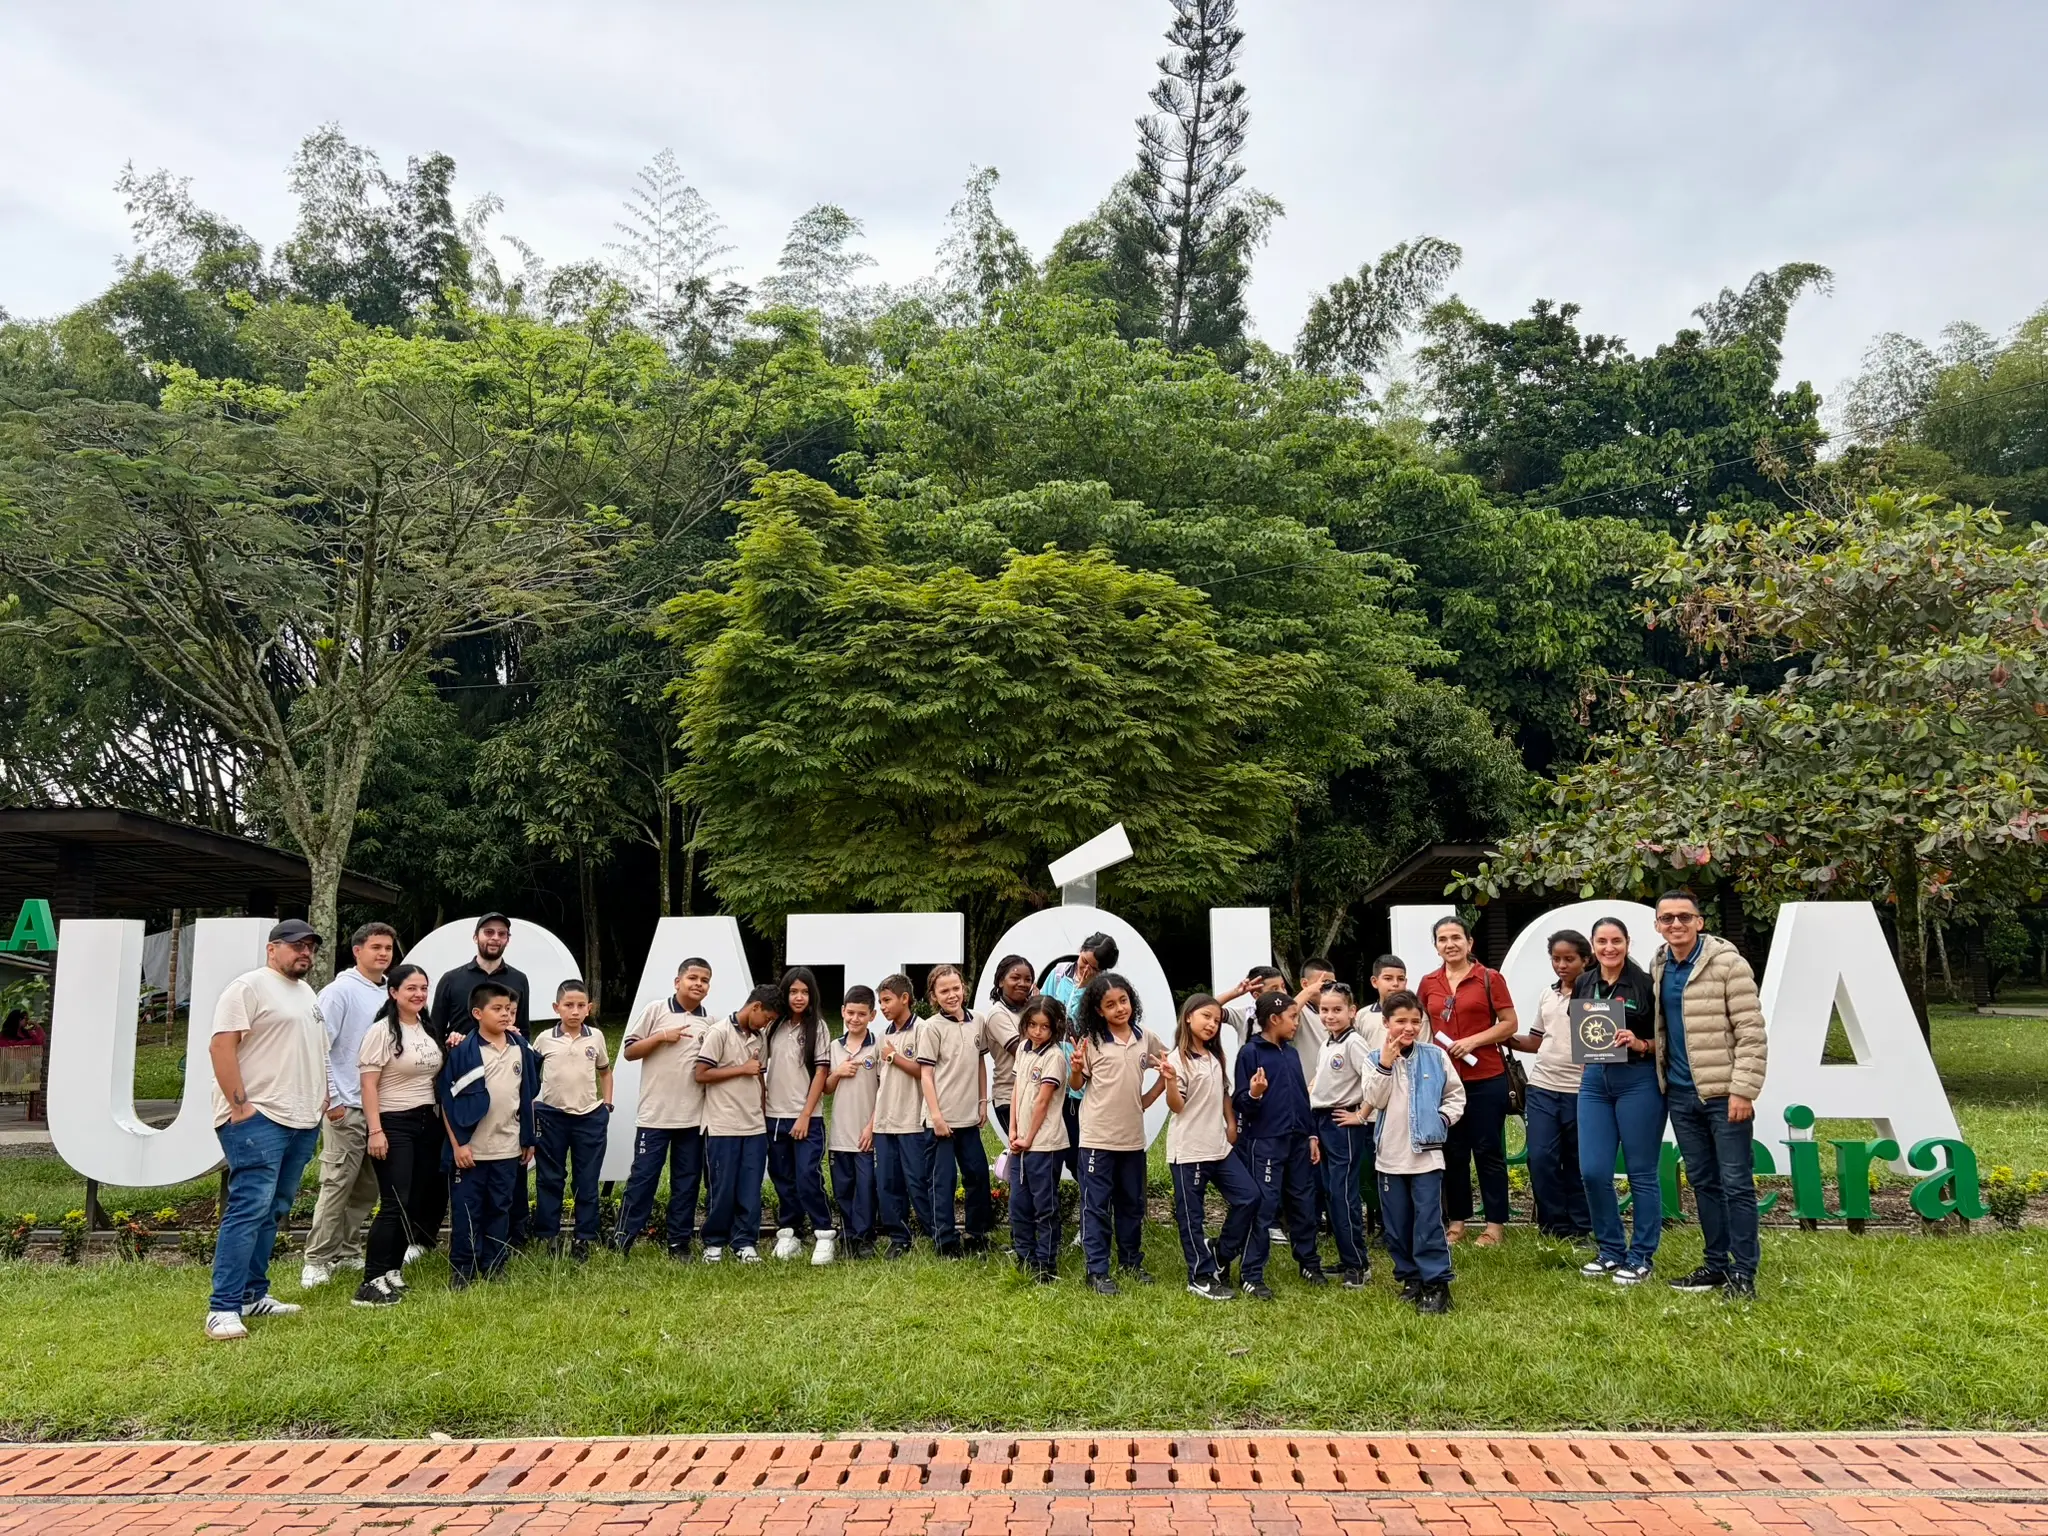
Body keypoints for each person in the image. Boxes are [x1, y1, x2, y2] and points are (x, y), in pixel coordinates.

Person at [203, 918, 330, 1341]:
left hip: (302, 1119)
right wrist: (240, 1106)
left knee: (274, 1209)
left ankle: (252, 1295)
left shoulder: (307, 993)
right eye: (296, 945)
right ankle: (222, 1308)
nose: (305, 952)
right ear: (272, 949)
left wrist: (323, 1096)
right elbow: (221, 1045)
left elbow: (317, 1051)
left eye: (310, 946)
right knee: (249, 1208)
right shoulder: (249, 987)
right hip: (260, 1119)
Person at [1651, 888, 1768, 1300]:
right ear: (1658, 925)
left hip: (1724, 1095)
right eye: (1667, 918)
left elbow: (1751, 1032)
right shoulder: (1660, 965)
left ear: (1699, 922)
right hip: (1681, 1095)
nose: (1676, 924)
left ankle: (1743, 1272)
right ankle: (1716, 1265)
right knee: (1703, 1182)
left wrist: (1743, 1090)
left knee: (1736, 1183)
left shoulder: (1728, 964)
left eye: (1685, 917)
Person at [424, 914, 532, 1251]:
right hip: (461, 1083)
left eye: (502, 933)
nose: (495, 938)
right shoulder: (452, 979)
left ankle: (507, 1244)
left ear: (507, 940)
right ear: (476, 937)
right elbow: (434, 1030)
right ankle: (433, 1240)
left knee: (504, 1183)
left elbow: (524, 1031)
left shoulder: (519, 979)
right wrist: (450, 1043)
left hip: (503, 1079)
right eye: (489, 932)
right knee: (456, 1165)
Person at [301, 921, 398, 1290]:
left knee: (367, 1187)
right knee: (337, 1183)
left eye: (388, 948)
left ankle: (345, 1249)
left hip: (380, 1108)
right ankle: (316, 1259)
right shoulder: (339, 992)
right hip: (347, 1105)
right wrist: (332, 1100)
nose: (383, 954)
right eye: (376, 947)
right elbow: (318, 1046)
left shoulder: (390, 991)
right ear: (357, 951)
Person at [1416, 915, 1517, 1247]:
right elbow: (1421, 1025)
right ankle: (1457, 1222)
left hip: (1486, 1076)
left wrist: (1474, 1041)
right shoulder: (1428, 983)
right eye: (1443, 939)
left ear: (1469, 942)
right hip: (1444, 1081)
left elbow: (1509, 1023)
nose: (1450, 944)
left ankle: (1494, 1225)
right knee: (1452, 1152)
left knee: (1488, 1150)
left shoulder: (1489, 978)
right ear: (1436, 946)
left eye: (1456, 937)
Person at [1362, 989, 1465, 1313]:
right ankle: (1411, 1278)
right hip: (1390, 1157)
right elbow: (1374, 1100)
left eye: (1415, 1021)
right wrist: (1385, 1064)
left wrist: (1442, 1119)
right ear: (1386, 1022)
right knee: (1397, 1225)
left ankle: (1436, 1284)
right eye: (1401, 1021)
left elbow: (1456, 1095)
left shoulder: (1436, 1056)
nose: (1409, 1027)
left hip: (1426, 1157)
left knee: (1428, 1222)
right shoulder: (1372, 1059)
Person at [1573, 916, 1663, 1283]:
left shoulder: (1646, 984)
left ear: (1627, 943)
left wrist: (1640, 1043)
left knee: (1641, 1173)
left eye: (1616, 941)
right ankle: (1610, 1250)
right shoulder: (1584, 981)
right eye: (1602, 941)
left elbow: (1668, 1040)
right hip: (1595, 1081)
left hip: (1637, 1079)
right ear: (1592, 945)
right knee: (1593, 1171)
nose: (1609, 948)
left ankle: (1640, 1255)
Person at [1070, 970, 1167, 1294]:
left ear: (1131, 1000)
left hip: (1132, 1140)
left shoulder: (1145, 1037)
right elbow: (1076, 1086)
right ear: (1098, 1011)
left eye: (1123, 1000)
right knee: (1096, 1206)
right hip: (1097, 1139)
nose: (1119, 1008)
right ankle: (1097, 1270)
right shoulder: (1092, 1042)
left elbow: (1170, 1065)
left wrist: (1148, 1098)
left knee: (1131, 1204)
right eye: (1110, 1004)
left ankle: (1130, 1262)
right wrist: (1075, 1069)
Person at [353, 963, 444, 1307]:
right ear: (393, 992)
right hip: (393, 1123)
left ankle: (392, 1269)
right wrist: (375, 1131)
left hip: (426, 1121)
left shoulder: (426, 1027)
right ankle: (370, 1281)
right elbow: (368, 1086)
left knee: (415, 1202)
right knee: (394, 1202)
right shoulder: (381, 1032)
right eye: (411, 988)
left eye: (423, 988)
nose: (419, 994)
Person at [438, 979, 538, 1288]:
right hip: (472, 1150)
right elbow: (448, 1102)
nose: (505, 1014)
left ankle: (494, 1265)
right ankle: (463, 1269)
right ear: (478, 1013)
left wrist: (528, 1138)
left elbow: (527, 1096)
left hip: (507, 1147)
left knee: (500, 1208)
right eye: (497, 1009)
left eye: (509, 1009)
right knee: (467, 1211)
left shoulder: (520, 1048)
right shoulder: (462, 1051)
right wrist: (459, 1145)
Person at [1232, 990, 1327, 1298]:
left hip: (1298, 1140)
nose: (1297, 1023)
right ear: (1274, 1019)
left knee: (1304, 1202)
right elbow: (1241, 1102)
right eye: (1292, 1017)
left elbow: (1301, 1097)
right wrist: (1255, 1093)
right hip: (1265, 1143)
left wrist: (1311, 1134)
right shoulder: (1250, 1053)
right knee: (1264, 1206)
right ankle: (1251, 1272)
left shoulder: (1292, 1053)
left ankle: (1309, 1262)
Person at [617, 958, 713, 1259]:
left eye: (705, 980)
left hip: (692, 1118)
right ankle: (623, 1238)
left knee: (686, 1183)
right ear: (677, 981)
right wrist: (661, 1037)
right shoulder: (656, 1010)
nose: (698, 984)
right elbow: (630, 1051)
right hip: (655, 1116)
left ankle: (678, 1242)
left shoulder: (710, 1023)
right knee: (643, 1180)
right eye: (692, 978)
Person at [1163, 993, 1256, 1302]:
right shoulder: (1177, 1060)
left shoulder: (1215, 1057)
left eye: (1217, 1020)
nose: (1212, 1024)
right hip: (1189, 1150)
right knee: (1192, 1216)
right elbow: (1177, 1106)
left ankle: (1220, 1252)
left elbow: (1224, 1093)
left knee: (1249, 1197)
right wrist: (1170, 1081)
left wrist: (1230, 1123)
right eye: (1206, 1017)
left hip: (1219, 1147)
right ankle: (1200, 1276)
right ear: (1188, 1016)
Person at [1508, 931, 1594, 1243]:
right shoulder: (1548, 993)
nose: (1561, 965)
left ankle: (1581, 1228)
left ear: (1586, 959)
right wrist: (1502, 1036)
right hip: (1542, 1087)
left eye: (1569, 959)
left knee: (1577, 1161)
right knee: (1541, 1158)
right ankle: (1553, 1226)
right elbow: (1535, 1040)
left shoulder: (1597, 995)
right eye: (1556, 959)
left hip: (1582, 1090)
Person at [695, 983, 781, 1263]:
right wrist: (741, 1069)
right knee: (722, 1187)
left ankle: (745, 1242)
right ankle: (714, 1242)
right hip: (722, 1124)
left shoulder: (760, 1037)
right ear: (756, 1007)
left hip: (754, 1125)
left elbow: (759, 1078)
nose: (767, 1024)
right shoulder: (719, 1032)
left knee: (750, 1188)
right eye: (767, 1017)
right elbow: (701, 1074)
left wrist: (763, 1112)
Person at [917, 964, 997, 1256]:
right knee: (943, 1181)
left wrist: (982, 1101)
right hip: (941, 1121)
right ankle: (945, 1241)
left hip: (968, 1117)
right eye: (944, 991)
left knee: (977, 1175)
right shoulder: (931, 1027)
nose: (951, 995)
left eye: (955, 988)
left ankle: (977, 1235)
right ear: (934, 996)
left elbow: (980, 1062)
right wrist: (936, 1117)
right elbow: (926, 1075)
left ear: (964, 988)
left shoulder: (978, 1021)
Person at [530, 979, 612, 1259]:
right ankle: (548, 1236)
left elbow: (605, 1072)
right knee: (550, 1178)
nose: (575, 1011)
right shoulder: (544, 1039)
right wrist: (532, 1105)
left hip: (589, 1117)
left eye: (580, 1005)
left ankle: (584, 1238)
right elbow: (530, 1076)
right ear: (557, 1008)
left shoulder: (596, 1037)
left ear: (589, 1008)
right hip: (551, 1117)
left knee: (586, 1180)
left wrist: (607, 1104)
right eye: (568, 1005)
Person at [764, 967, 835, 1263]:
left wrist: (805, 1115)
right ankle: (789, 1232)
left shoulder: (818, 1027)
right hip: (773, 1115)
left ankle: (824, 1233)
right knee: (782, 1177)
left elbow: (821, 1073)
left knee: (807, 1175)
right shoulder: (772, 1026)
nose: (798, 997)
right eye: (793, 991)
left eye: (804, 992)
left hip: (807, 1117)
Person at [1308, 981, 1374, 1288]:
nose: (1330, 1015)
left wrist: (1360, 1115)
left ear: (1352, 1011)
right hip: (1321, 1120)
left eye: (1337, 1010)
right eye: (1324, 1009)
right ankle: (1348, 1258)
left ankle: (1358, 1265)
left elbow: (1375, 1080)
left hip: (1342, 1123)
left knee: (1343, 1194)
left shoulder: (1354, 1043)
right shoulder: (1327, 1043)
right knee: (1330, 1193)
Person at [1004, 995, 1071, 1283]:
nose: (1037, 1031)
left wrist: (1028, 1138)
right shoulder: (1023, 1048)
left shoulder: (1054, 1057)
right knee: (1018, 1204)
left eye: (1044, 1027)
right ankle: (1025, 1256)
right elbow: (1017, 1089)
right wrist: (1013, 1130)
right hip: (1020, 1143)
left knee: (1045, 1207)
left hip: (1045, 1144)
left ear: (1055, 1027)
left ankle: (1046, 1263)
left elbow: (1043, 1102)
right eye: (1032, 1025)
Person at [872, 973, 935, 1257]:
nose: (883, 1007)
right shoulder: (884, 1036)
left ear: (905, 998)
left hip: (913, 1121)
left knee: (918, 1181)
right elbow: (879, 1080)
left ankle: (936, 1234)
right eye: (880, 1002)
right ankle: (899, 1238)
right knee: (888, 1183)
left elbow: (924, 1071)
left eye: (887, 1000)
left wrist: (893, 1057)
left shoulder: (922, 1029)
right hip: (885, 1122)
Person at [1044, 934, 1118, 1172]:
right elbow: (1042, 1009)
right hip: (1052, 1072)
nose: (1085, 970)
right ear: (1080, 950)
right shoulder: (1058, 974)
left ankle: (1095, 1192)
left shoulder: (1104, 990)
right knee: (1051, 1151)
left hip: (1082, 1079)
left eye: (1093, 968)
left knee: (1078, 1153)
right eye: (1084, 961)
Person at [825, 985, 882, 1258]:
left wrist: (871, 1127)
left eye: (861, 1014)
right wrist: (838, 1072)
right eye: (850, 1013)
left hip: (865, 1133)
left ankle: (865, 1237)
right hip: (840, 1133)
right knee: (843, 1188)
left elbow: (884, 1090)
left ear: (872, 1015)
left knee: (866, 1187)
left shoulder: (878, 1046)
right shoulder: (834, 1047)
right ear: (842, 1012)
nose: (855, 1019)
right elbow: (826, 1088)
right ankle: (848, 1236)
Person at [983, 955, 1037, 1138]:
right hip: (1009, 1097)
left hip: (1034, 1094)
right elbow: (1024, 1051)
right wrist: (1035, 1010)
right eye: (1015, 978)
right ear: (1000, 981)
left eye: (1028, 979)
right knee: (1022, 1151)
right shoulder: (998, 1014)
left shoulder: (1028, 1009)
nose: (1022, 983)